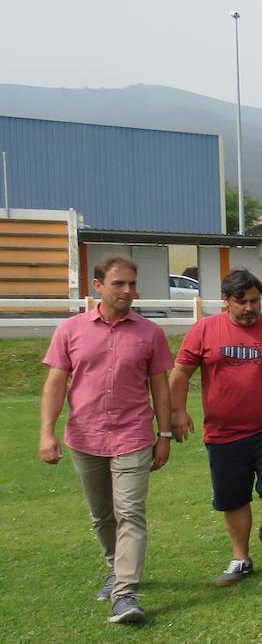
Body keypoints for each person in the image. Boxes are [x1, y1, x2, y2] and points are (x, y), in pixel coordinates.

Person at [39, 255, 174, 624]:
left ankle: (125, 592)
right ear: (97, 286)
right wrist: (47, 432)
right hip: (85, 436)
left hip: (133, 434)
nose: (128, 291)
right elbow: (55, 384)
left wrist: (164, 434)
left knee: (130, 512)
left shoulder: (150, 333)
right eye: (119, 284)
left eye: (132, 284)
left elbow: (160, 387)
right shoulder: (70, 330)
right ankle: (116, 569)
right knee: (102, 515)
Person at [169, 268, 262, 586]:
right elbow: (181, 372)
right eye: (242, 302)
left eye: (255, 301)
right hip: (222, 432)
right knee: (233, 497)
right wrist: (178, 411)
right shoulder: (204, 330)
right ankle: (241, 559)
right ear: (225, 300)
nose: (250, 308)